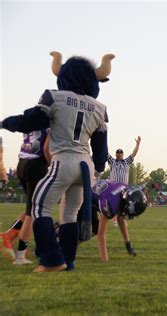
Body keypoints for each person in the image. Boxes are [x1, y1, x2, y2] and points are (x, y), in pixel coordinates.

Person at [0, 51, 113, 272]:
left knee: (39, 208)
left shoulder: (55, 97)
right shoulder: (100, 109)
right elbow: (101, 150)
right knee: (70, 214)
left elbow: (31, 121)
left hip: (63, 160)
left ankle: (52, 259)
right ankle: (68, 260)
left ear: (65, 76)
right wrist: (98, 167)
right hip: (85, 165)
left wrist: (5, 122)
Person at [1, 130, 49, 265]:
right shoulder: (49, 118)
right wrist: (52, 165)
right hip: (36, 165)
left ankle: (9, 234)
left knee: (32, 207)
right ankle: (20, 254)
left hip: (22, 162)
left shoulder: (32, 116)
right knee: (33, 211)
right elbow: (46, 147)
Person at [77, 180, 147, 261]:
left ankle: (68, 245)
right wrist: (105, 260)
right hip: (84, 199)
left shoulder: (125, 194)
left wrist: (127, 243)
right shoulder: (111, 202)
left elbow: (120, 219)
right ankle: (65, 244)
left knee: (93, 230)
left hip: (94, 198)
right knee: (84, 232)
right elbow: (101, 235)